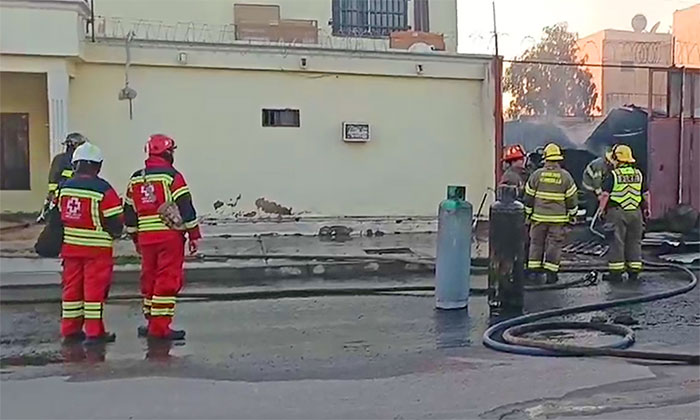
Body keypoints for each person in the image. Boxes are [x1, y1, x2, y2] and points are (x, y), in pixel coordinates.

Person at [124, 134, 201, 341]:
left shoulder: (136, 178)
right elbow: (186, 206)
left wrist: (134, 237)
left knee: (149, 278)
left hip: (146, 239)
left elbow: (129, 213)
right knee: (166, 281)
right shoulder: (172, 177)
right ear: (167, 153)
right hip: (169, 238)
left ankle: (151, 323)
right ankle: (160, 329)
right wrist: (194, 235)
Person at [58, 143, 123, 345]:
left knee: (72, 291)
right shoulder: (103, 189)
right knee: (94, 292)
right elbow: (115, 221)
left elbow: (57, 216)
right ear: (98, 165)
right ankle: (94, 333)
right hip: (97, 250)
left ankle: (70, 330)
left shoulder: (64, 187)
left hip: (70, 248)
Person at [523, 143, 578, 284]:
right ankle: (551, 273)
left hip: (538, 218)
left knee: (536, 243)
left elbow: (528, 197)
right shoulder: (566, 177)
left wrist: (528, 215)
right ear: (558, 159)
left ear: (545, 158)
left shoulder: (536, 175)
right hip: (558, 220)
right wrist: (572, 215)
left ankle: (534, 271)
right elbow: (571, 199)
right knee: (554, 245)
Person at [598, 144, 650, 282]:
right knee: (634, 241)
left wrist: (601, 210)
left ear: (617, 159)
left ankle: (616, 273)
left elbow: (605, 195)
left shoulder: (613, 175)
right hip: (635, 212)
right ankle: (634, 271)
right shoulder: (639, 174)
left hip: (617, 212)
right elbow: (645, 194)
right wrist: (646, 209)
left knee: (617, 241)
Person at [38, 132, 88, 222]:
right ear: (74, 145)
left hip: (74, 191)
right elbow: (54, 176)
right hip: (62, 191)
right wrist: (52, 192)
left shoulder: (81, 159)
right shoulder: (61, 159)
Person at [582, 147, 616, 217]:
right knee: (592, 201)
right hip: (589, 185)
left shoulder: (608, 166)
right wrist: (599, 194)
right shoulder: (599, 165)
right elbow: (596, 182)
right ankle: (590, 218)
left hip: (599, 183)